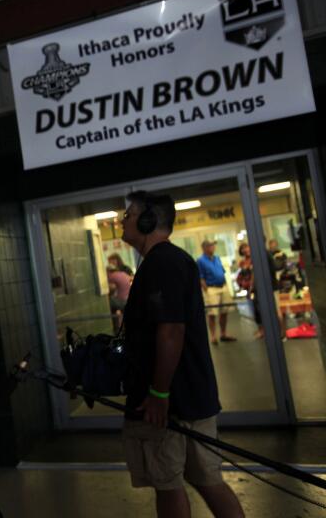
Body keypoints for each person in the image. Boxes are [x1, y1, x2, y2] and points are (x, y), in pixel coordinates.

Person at [120, 190, 244, 518]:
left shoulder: (162, 264)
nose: (123, 220)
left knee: (168, 484)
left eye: (129, 214)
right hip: (188, 397)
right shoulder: (170, 262)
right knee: (207, 480)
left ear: (148, 221)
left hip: (169, 405)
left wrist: (159, 393)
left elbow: (171, 330)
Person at [197, 240, 236, 344]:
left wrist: (226, 285)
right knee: (212, 313)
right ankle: (213, 336)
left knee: (224, 311)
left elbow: (222, 272)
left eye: (213, 246)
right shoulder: (200, 260)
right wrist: (207, 290)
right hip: (211, 288)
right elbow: (200, 277)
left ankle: (223, 333)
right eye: (211, 246)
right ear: (205, 248)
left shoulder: (217, 258)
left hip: (222, 286)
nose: (213, 247)